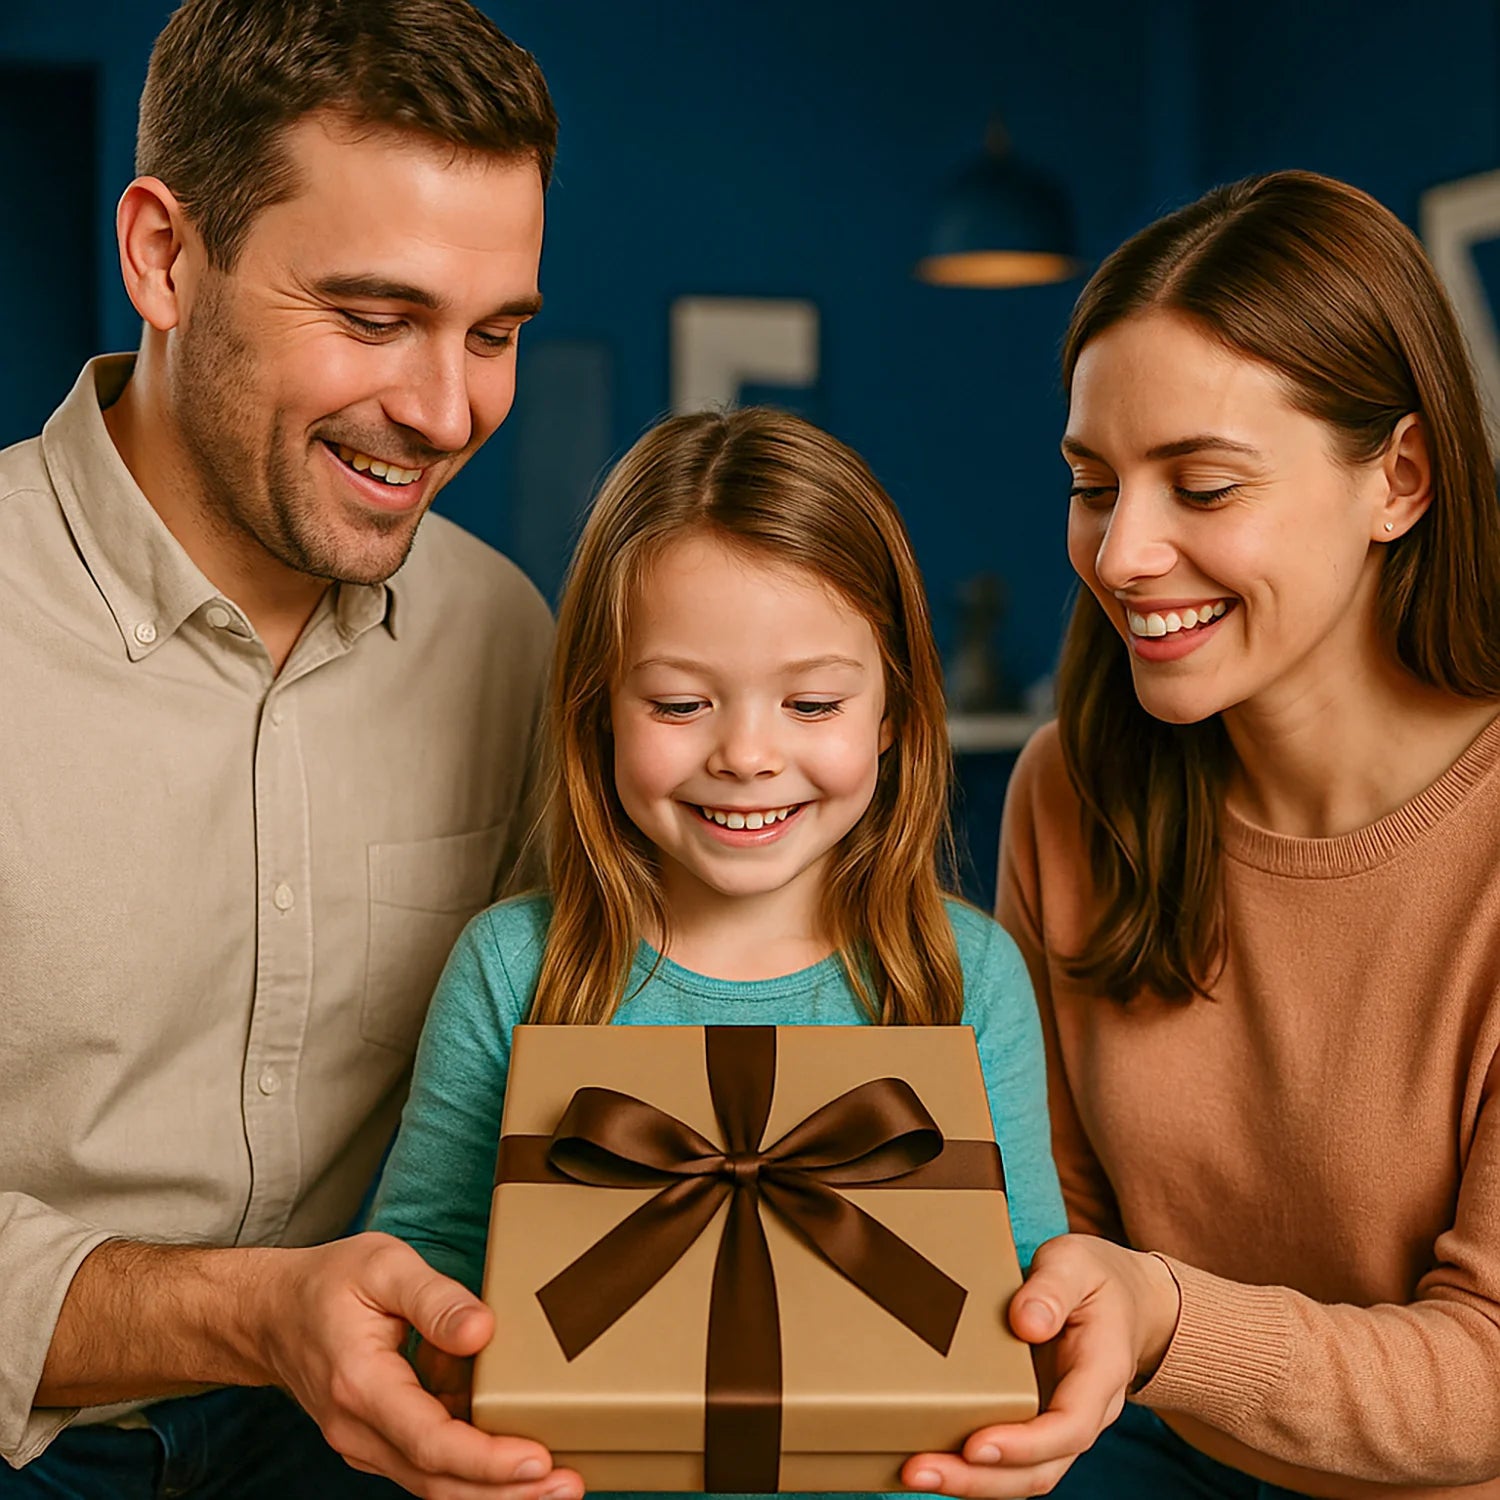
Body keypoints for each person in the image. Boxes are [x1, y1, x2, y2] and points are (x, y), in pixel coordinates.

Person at [0, 1, 569, 1494]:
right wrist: (258, 1318)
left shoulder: (509, 641)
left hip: (363, 1445)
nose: (447, 411)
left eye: (495, 333)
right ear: (164, 256)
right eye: (375, 318)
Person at [366, 406, 1070, 1500]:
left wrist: (1039, 1410)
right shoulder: (515, 968)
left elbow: (1026, 1310)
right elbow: (420, 1283)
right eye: (683, 702)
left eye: (814, 702)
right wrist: (447, 1396)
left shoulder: (967, 978)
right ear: (599, 708)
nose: (747, 754)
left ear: (891, 711)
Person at [969, 170, 1500, 1499]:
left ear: (1401, 478)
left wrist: (1160, 1318)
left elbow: (1488, 1377)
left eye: (1203, 488)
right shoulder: (1067, 793)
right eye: (1095, 484)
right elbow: (1054, 1241)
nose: (1123, 554)